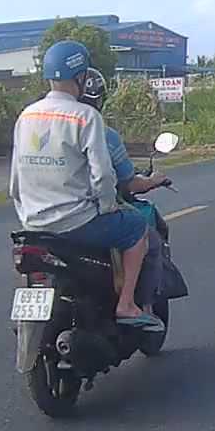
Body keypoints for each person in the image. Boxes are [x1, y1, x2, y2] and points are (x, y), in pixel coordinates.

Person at [9, 40, 162, 331]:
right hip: (76, 222)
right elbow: (103, 176)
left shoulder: (27, 115)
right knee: (137, 228)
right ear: (80, 77)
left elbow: (15, 180)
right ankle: (127, 305)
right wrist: (108, 207)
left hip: (32, 223)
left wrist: (27, 213)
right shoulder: (85, 117)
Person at [78, 68, 170, 309]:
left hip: (38, 217)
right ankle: (131, 305)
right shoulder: (102, 134)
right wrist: (154, 180)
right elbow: (124, 182)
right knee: (143, 233)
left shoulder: (43, 126)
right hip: (84, 216)